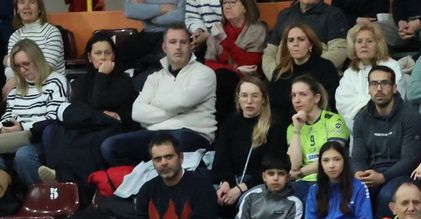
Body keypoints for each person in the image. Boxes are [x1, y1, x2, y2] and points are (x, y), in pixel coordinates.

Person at [102, 26, 218, 166]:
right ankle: (146, 177)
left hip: (192, 133)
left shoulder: (204, 73)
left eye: (183, 42)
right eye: (173, 42)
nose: (178, 47)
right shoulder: (154, 78)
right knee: (110, 146)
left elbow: (181, 101)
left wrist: (155, 102)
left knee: (172, 145)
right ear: (164, 47)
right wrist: (178, 109)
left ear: (191, 45)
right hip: (155, 133)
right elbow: (137, 112)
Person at [36, 32, 135, 186]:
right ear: (90, 58)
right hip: (88, 125)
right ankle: (60, 175)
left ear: (113, 56)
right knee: (60, 131)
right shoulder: (82, 81)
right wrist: (96, 114)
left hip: (113, 127)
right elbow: (77, 110)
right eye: (98, 53)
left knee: (89, 140)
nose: (103, 57)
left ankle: (70, 181)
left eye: (107, 53)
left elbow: (97, 102)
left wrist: (102, 75)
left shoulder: (124, 81)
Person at [351, 65, 421, 216]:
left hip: (401, 174)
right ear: (368, 89)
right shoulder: (361, 118)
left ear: (394, 88)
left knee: (387, 196)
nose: (379, 89)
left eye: (384, 83)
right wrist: (360, 174)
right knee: (353, 194)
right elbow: (358, 156)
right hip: (372, 172)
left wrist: (383, 177)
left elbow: (410, 160)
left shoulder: (411, 117)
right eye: (374, 84)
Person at [133, 133, 220, 219]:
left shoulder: (201, 185)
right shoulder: (147, 189)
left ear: (181, 158)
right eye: (158, 159)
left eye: (168, 157)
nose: (163, 163)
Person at [0, 40, 67, 189]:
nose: (22, 70)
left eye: (26, 64)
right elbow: (8, 114)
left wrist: (23, 127)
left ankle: (44, 195)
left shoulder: (56, 81)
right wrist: (3, 126)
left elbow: (55, 117)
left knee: (24, 155)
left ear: (37, 60)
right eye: (17, 66)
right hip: (14, 136)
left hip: (41, 139)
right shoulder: (16, 87)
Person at [213, 75, 285, 211]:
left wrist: (241, 188)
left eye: (255, 96)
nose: (249, 101)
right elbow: (221, 161)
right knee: (208, 196)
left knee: (246, 201)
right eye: (244, 96)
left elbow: (273, 164)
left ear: (263, 99)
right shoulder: (229, 123)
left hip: (257, 182)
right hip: (231, 181)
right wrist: (225, 183)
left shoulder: (274, 124)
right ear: (238, 98)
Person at [265, 23, 339, 121]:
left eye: (301, 39)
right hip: (286, 125)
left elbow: (330, 102)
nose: (295, 44)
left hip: (318, 123)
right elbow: (274, 106)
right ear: (287, 46)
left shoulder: (325, 67)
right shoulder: (280, 72)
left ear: (311, 44)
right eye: (291, 40)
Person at [286, 75, 349, 185]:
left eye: (303, 94)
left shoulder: (334, 120)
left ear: (316, 98)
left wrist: (301, 173)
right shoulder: (292, 127)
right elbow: (294, 165)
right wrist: (297, 130)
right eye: (293, 95)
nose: (296, 100)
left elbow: (332, 158)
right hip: (303, 181)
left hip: (330, 178)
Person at [337, 20, 405, 122]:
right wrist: (370, 104)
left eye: (369, 41)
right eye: (359, 41)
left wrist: (363, 104)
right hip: (357, 125)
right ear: (353, 46)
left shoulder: (392, 66)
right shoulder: (349, 73)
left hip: (389, 122)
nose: (364, 45)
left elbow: (395, 97)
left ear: (378, 45)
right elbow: (342, 102)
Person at [269, 0, 351, 72]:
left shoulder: (334, 15)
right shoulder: (284, 14)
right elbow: (269, 52)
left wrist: (306, 73)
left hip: (318, 80)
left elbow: (339, 51)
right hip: (283, 77)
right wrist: (277, 75)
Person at [3, 0, 62, 88]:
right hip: (23, 88)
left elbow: (43, 68)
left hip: (51, 88)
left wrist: (8, 62)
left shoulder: (52, 32)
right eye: (22, 2)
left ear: (39, 9)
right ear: (17, 10)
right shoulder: (15, 36)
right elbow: (11, 68)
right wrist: (11, 77)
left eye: (32, 2)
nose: (26, 6)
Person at [204, 0, 268, 77]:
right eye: (224, 3)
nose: (227, 7)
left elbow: (251, 64)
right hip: (221, 78)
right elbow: (208, 64)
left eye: (232, 2)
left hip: (249, 80)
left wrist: (224, 40)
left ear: (245, 7)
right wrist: (234, 69)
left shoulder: (257, 29)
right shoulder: (218, 29)